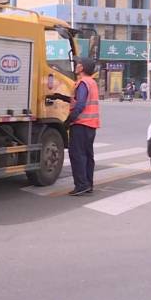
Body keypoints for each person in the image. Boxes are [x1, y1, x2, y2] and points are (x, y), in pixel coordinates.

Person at [59, 56, 101, 196]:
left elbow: (81, 104)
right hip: (91, 125)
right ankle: (88, 184)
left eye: (78, 64)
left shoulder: (82, 83)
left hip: (81, 124)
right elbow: (78, 100)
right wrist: (60, 97)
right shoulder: (91, 83)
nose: (76, 65)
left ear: (82, 68)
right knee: (88, 155)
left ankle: (81, 185)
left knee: (77, 155)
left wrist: (69, 120)